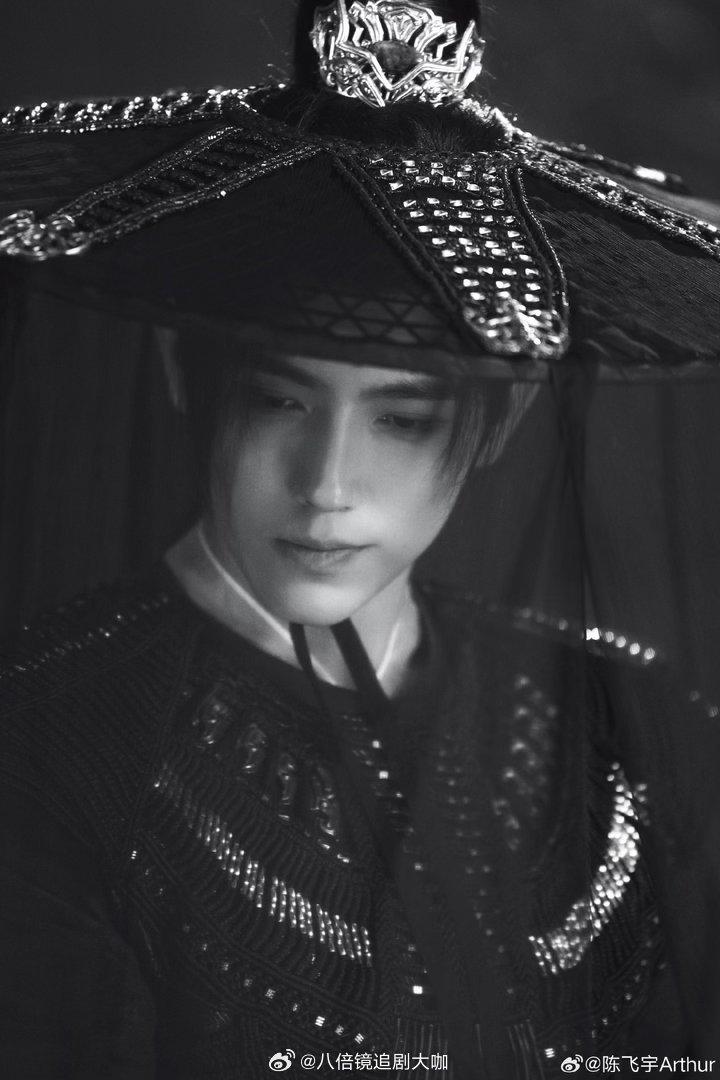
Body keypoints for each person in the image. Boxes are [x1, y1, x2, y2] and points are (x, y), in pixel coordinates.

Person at [2, 1, 720, 1076]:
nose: (328, 486)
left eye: (402, 420)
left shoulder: (625, 725)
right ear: (188, 380)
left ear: (500, 423)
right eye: (280, 402)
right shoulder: (50, 738)